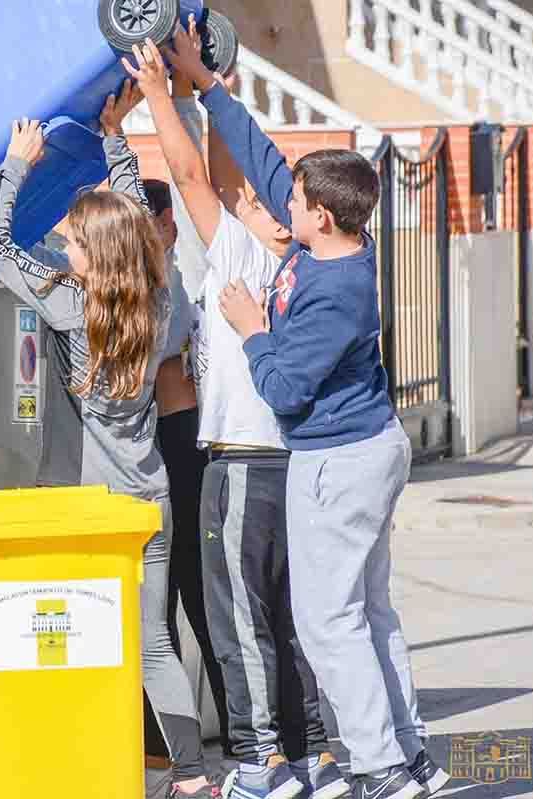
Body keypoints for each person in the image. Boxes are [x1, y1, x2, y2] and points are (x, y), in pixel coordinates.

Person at [147, 23, 451, 799]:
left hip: (336, 460)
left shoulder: (328, 288)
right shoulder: (312, 249)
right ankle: (406, 754)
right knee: (364, 610)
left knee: (326, 621)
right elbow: (250, 162)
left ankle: (378, 766)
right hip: (345, 454)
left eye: (292, 197)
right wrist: (205, 86)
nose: (271, 194)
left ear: (315, 217)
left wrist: (251, 330)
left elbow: (283, 388)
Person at [0, 82, 217, 799]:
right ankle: (194, 776)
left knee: (82, 640)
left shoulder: (68, 306)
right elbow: (137, 221)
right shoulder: (155, 294)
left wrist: (15, 162)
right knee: (154, 644)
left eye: (72, 240)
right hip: (151, 500)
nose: (63, 244)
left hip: (93, 511)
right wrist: (116, 135)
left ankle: (95, 765)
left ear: (89, 256)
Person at [125, 25, 347, 799]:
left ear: (281, 217)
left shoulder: (249, 254)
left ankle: (264, 764)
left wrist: (160, 92)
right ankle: (312, 751)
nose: (245, 197)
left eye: (260, 197)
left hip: (245, 462)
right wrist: (201, 88)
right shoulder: (303, 261)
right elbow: (222, 176)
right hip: (289, 460)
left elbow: (192, 180)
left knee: (238, 620)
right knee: (289, 616)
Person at [144, 76, 230, 759]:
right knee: (163, 595)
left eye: (145, 223)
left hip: (184, 444)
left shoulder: (173, 272)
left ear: (166, 224)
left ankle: (235, 717)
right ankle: (169, 731)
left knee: (195, 590)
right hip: (160, 442)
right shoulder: (150, 276)